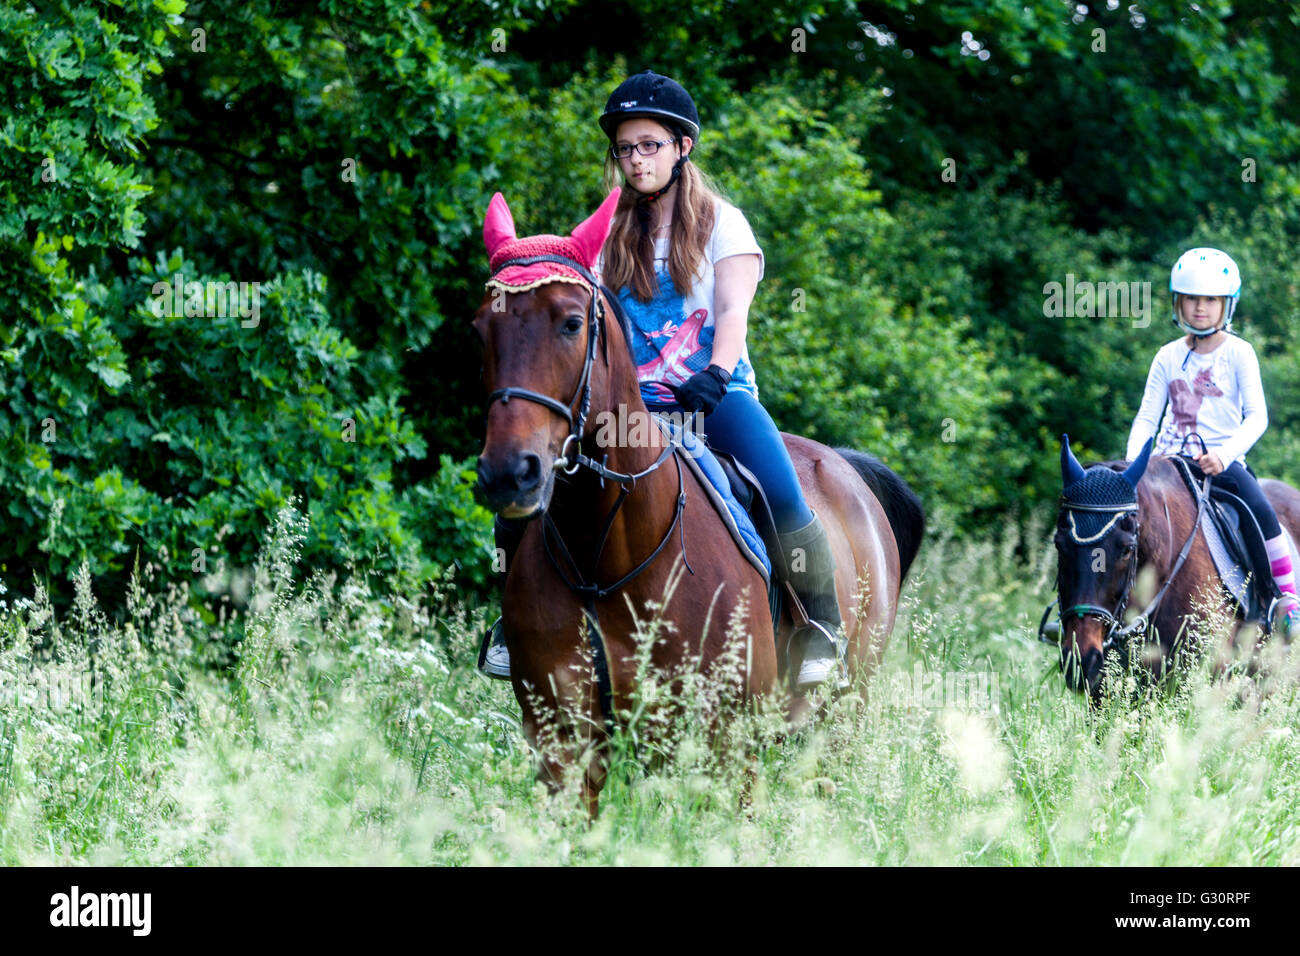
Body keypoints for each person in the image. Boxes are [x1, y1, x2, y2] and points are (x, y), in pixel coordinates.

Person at [481, 70, 845, 690]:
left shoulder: (723, 225)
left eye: (649, 144)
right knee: (526, 488)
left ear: (682, 147)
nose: (635, 159)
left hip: (713, 396)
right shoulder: (602, 236)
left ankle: (819, 625)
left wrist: (718, 373)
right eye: (625, 148)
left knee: (783, 491)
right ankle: (512, 625)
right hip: (626, 405)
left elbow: (732, 312)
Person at [1126, 247, 1300, 632]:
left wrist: (1225, 454)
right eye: (1190, 299)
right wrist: (1134, 466)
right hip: (1166, 466)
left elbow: (1257, 417)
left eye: (1209, 300)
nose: (1199, 308)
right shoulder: (1166, 357)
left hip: (1221, 464)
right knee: (1114, 517)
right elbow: (1146, 419)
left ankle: (1283, 599)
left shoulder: (1240, 353)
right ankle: (1096, 610)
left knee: (1261, 508)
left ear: (1227, 305)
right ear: (1178, 303)